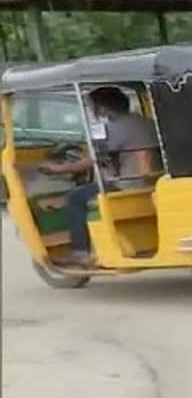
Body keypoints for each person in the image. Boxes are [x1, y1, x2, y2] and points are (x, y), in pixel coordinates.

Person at [39, 86, 159, 268]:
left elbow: (93, 160)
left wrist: (59, 169)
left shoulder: (115, 128)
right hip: (151, 182)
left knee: (76, 198)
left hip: (127, 185)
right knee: (85, 191)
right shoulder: (147, 122)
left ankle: (81, 252)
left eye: (92, 107)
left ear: (103, 108)